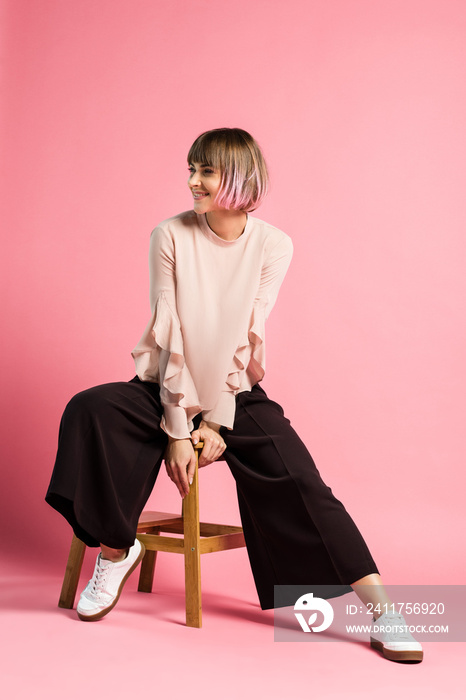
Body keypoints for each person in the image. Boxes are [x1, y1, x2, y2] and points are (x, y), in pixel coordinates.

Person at [46, 127, 422, 662]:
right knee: (90, 408)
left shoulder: (273, 245)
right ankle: (116, 547)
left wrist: (217, 423)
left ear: (239, 180)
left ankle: (384, 612)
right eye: (191, 169)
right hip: (165, 386)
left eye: (205, 171)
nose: (192, 181)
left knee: (303, 481)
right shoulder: (169, 235)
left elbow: (244, 337)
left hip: (234, 391)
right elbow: (169, 331)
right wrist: (179, 429)